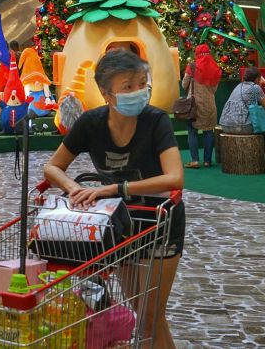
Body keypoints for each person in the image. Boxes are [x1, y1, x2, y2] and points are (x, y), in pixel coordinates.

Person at [43, 49, 184, 348]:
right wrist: (72, 188)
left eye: (141, 83)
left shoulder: (156, 121)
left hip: (161, 222)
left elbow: (175, 178)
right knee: (145, 315)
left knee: (151, 317)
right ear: (106, 94)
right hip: (121, 226)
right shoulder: (90, 123)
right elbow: (53, 167)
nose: (138, 91)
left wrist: (114, 189)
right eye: (127, 86)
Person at [219, 66, 265, 171]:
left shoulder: (239, 86)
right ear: (257, 79)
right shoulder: (255, 87)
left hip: (225, 125)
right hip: (242, 126)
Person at [181, 44, 221, 168]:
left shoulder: (192, 67)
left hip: (193, 105)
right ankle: (207, 161)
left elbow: (184, 85)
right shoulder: (215, 69)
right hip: (209, 104)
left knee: (192, 132)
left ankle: (195, 161)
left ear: (197, 54)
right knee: (208, 131)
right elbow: (214, 89)